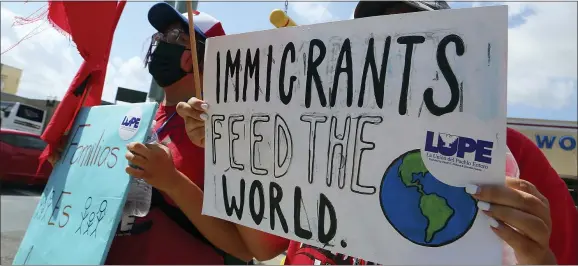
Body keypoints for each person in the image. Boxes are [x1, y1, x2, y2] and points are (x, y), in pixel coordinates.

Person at [178, 1, 578, 265]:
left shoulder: (511, 154)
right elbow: (263, 246)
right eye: (374, 27)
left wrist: (538, 261)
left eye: (411, 28)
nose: (390, 39)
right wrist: (234, 149)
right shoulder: (317, 134)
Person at [105, 3, 254, 265]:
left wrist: (173, 182)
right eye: (162, 35)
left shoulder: (224, 128)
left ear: (207, 56)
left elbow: (244, 249)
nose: (162, 42)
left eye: (176, 37)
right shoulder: (138, 117)